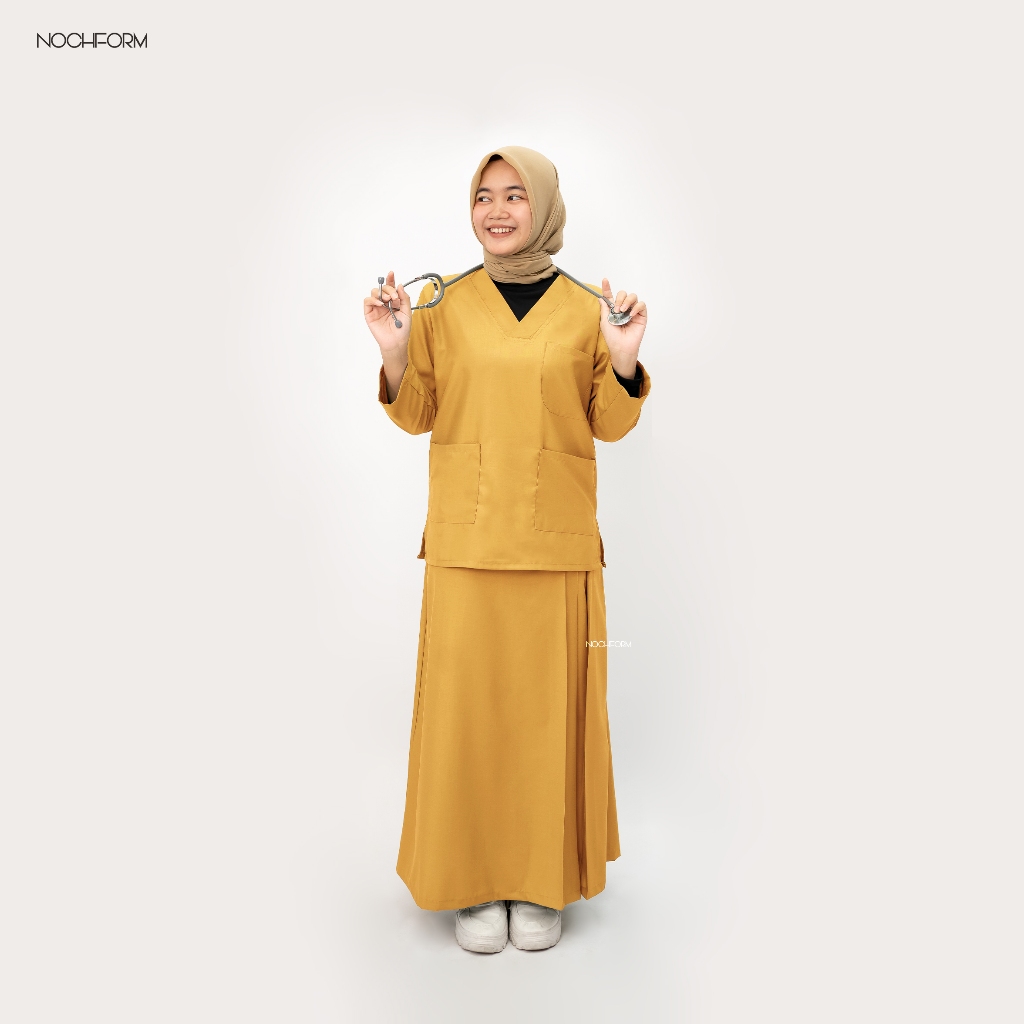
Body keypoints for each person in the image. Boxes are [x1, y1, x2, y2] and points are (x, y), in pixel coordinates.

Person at [363, 146, 651, 953]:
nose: (496, 210)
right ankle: (475, 880)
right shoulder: (440, 303)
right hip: (466, 539)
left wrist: (624, 357)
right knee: (470, 717)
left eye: (515, 195)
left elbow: (610, 422)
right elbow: (416, 412)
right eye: (484, 196)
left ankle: (538, 878)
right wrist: (393, 348)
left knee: (544, 717)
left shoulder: (588, 308)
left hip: (555, 541)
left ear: (545, 206)